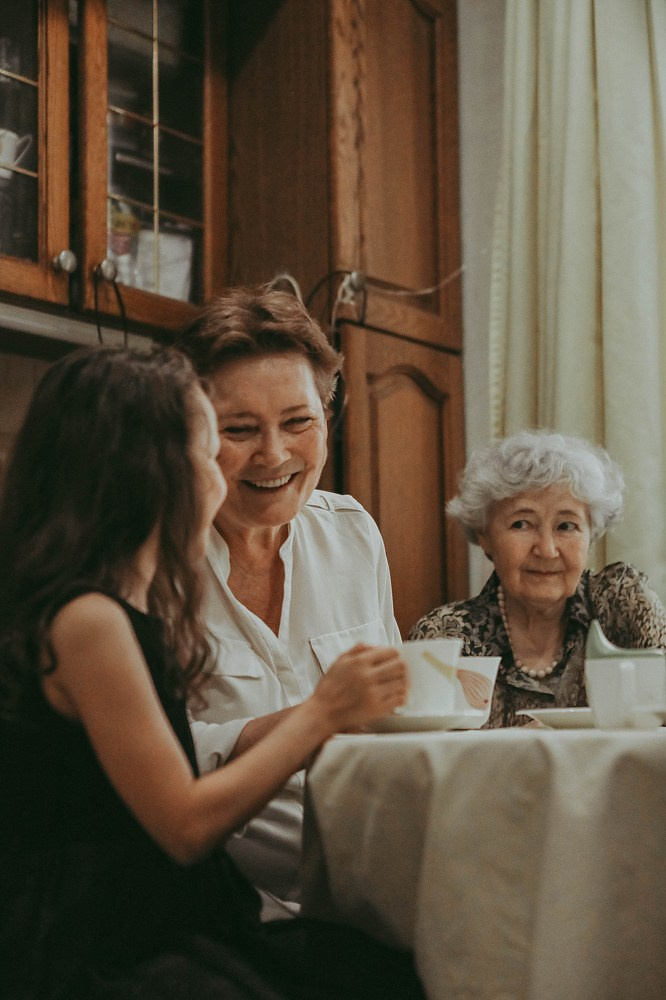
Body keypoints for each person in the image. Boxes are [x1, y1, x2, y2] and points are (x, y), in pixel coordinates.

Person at [0, 346, 425, 1000]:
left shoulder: (124, 605)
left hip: (153, 914)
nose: (221, 479)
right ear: (149, 472)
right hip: (97, 937)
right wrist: (322, 713)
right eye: (209, 451)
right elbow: (186, 828)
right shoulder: (89, 621)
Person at [177, 285, 400, 918]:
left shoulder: (353, 532)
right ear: (191, 435)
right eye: (240, 430)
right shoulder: (151, 559)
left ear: (328, 418)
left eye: (298, 422)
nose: (274, 455)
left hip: (373, 889)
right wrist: (309, 721)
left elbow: (390, 716)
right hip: (223, 911)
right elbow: (141, 760)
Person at [410, 429, 666, 727]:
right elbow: (429, 751)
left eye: (566, 526)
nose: (547, 549)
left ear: (591, 535)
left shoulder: (621, 603)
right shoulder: (448, 638)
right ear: (484, 536)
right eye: (522, 524)